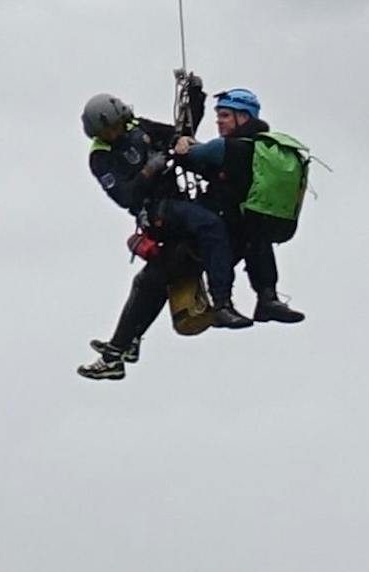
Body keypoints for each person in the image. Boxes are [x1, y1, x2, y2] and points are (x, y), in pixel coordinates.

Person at [76, 90, 252, 380]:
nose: (114, 133)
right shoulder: (101, 156)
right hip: (157, 210)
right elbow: (126, 197)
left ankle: (121, 348)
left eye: (116, 125)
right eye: (108, 130)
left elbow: (176, 136)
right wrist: (149, 170)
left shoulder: (138, 127)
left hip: (180, 201)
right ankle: (222, 303)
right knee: (209, 225)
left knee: (156, 279)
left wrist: (194, 100)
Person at [176, 87, 306, 323]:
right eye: (218, 116)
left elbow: (186, 156)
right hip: (247, 228)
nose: (219, 122)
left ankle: (222, 304)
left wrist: (183, 140)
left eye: (225, 115)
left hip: (218, 231)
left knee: (223, 236)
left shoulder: (223, 148)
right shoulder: (261, 150)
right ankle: (268, 298)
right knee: (257, 234)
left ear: (243, 117)